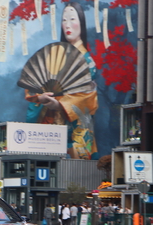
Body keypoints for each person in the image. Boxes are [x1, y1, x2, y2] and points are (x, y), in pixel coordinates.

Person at [22, 2, 99, 160]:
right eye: (64, 20)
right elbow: (37, 81)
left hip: (75, 125)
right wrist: (40, 97)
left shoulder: (87, 61)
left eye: (72, 19)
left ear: (82, 24)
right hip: (50, 124)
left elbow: (88, 96)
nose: (68, 25)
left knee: (76, 168)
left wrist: (61, 104)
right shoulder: (53, 55)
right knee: (47, 164)